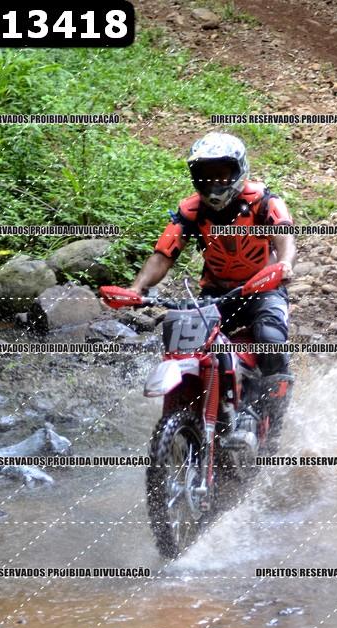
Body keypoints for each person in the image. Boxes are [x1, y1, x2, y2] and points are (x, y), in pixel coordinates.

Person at [130, 131, 296, 447]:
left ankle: (272, 424)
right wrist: (137, 287)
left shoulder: (264, 202)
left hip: (264, 289)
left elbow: (284, 236)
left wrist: (285, 264)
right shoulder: (192, 211)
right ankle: (197, 409)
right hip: (217, 294)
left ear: (238, 171)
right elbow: (164, 254)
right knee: (188, 341)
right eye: (206, 175)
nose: (214, 183)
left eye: (221, 174)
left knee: (271, 340)